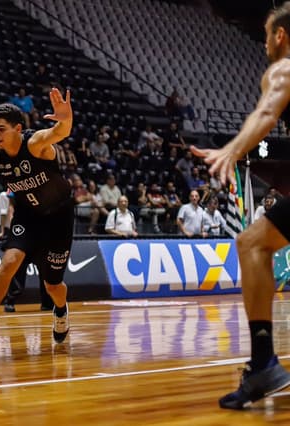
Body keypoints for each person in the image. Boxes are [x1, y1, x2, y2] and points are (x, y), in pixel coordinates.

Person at [190, 3, 290, 410]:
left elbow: (266, 111)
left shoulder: (283, 68)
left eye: (267, 36)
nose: (265, 44)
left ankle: (264, 362)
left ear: (280, 36)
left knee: (251, 245)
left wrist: (231, 149)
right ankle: (263, 362)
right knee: (254, 241)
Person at [0, 88, 73, 355]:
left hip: (59, 217)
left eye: (1, 129)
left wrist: (65, 119)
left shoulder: (34, 144)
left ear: (18, 129)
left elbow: (58, 133)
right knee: (9, 261)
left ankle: (61, 310)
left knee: (53, 285)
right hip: (28, 214)